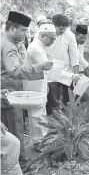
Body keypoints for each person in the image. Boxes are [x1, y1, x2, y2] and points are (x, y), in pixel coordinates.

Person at [1, 11, 53, 167]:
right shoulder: (9, 46)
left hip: (4, 92)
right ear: (12, 28)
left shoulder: (3, 40)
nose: (26, 34)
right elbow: (15, 71)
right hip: (9, 93)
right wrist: (39, 67)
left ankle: (9, 163)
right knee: (15, 130)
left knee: (6, 131)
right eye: (23, 30)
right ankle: (22, 164)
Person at [23, 24, 57, 151]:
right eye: (51, 39)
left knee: (41, 113)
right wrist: (68, 76)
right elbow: (49, 69)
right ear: (42, 35)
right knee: (36, 114)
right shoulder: (36, 48)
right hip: (34, 86)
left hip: (39, 84)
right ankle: (38, 142)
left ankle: (43, 139)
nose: (53, 42)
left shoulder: (40, 46)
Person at [46, 14, 80, 106]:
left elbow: (74, 55)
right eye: (60, 29)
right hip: (50, 71)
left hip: (67, 70)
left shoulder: (70, 35)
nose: (62, 31)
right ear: (53, 25)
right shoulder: (45, 34)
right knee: (53, 101)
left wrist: (76, 74)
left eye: (64, 28)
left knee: (69, 101)